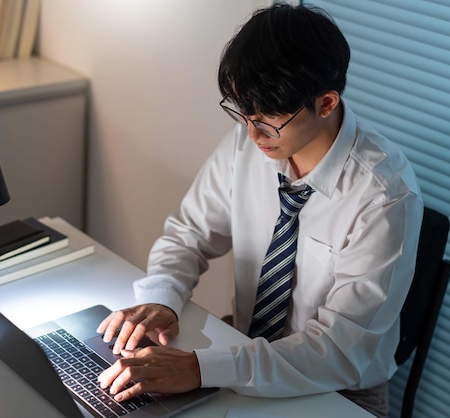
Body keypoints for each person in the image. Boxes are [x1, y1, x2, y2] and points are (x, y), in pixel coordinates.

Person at [96, 3, 423, 417]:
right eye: (243, 111)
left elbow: (341, 349)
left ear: (325, 103)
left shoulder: (385, 195)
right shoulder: (249, 141)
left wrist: (202, 368)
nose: (252, 133)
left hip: (340, 388)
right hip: (244, 349)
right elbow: (189, 234)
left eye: (269, 118)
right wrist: (163, 298)